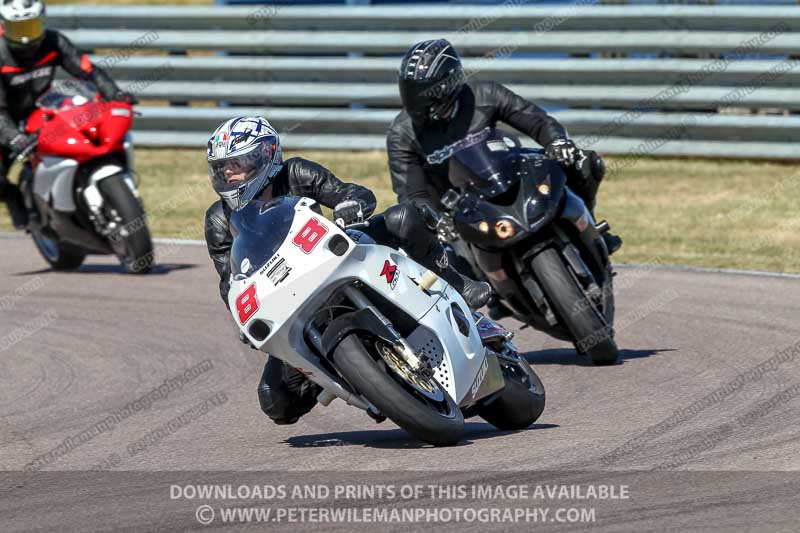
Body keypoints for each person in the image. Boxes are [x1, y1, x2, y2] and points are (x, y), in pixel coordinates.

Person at [203, 116, 492, 425]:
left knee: (405, 217)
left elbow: (353, 193)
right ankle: (352, 374)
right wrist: (243, 316)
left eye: (238, 163)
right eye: (222, 168)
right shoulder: (218, 220)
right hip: (287, 293)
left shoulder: (297, 172)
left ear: (266, 155)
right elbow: (230, 281)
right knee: (276, 401)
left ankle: (456, 284)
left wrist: (350, 204)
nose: (230, 174)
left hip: (336, 255)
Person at [386, 39, 622, 256]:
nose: (416, 101)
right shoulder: (401, 133)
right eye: (410, 91)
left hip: (508, 176)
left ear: (449, 83)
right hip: (458, 210)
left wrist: (557, 141)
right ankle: (492, 296)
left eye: (424, 92)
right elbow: (412, 194)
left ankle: (591, 231)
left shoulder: (485, 94)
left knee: (584, 163)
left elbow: (537, 121)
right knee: (454, 261)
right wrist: (435, 221)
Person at [0, 0, 133, 228]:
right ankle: (16, 199)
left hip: (39, 110)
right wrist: (15, 138)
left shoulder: (54, 41)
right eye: (18, 29)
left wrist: (114, 92)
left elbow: (89, 71)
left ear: (42, 22)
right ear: (4, 27)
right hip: (5, 119)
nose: (25, 38)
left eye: (30, 27)